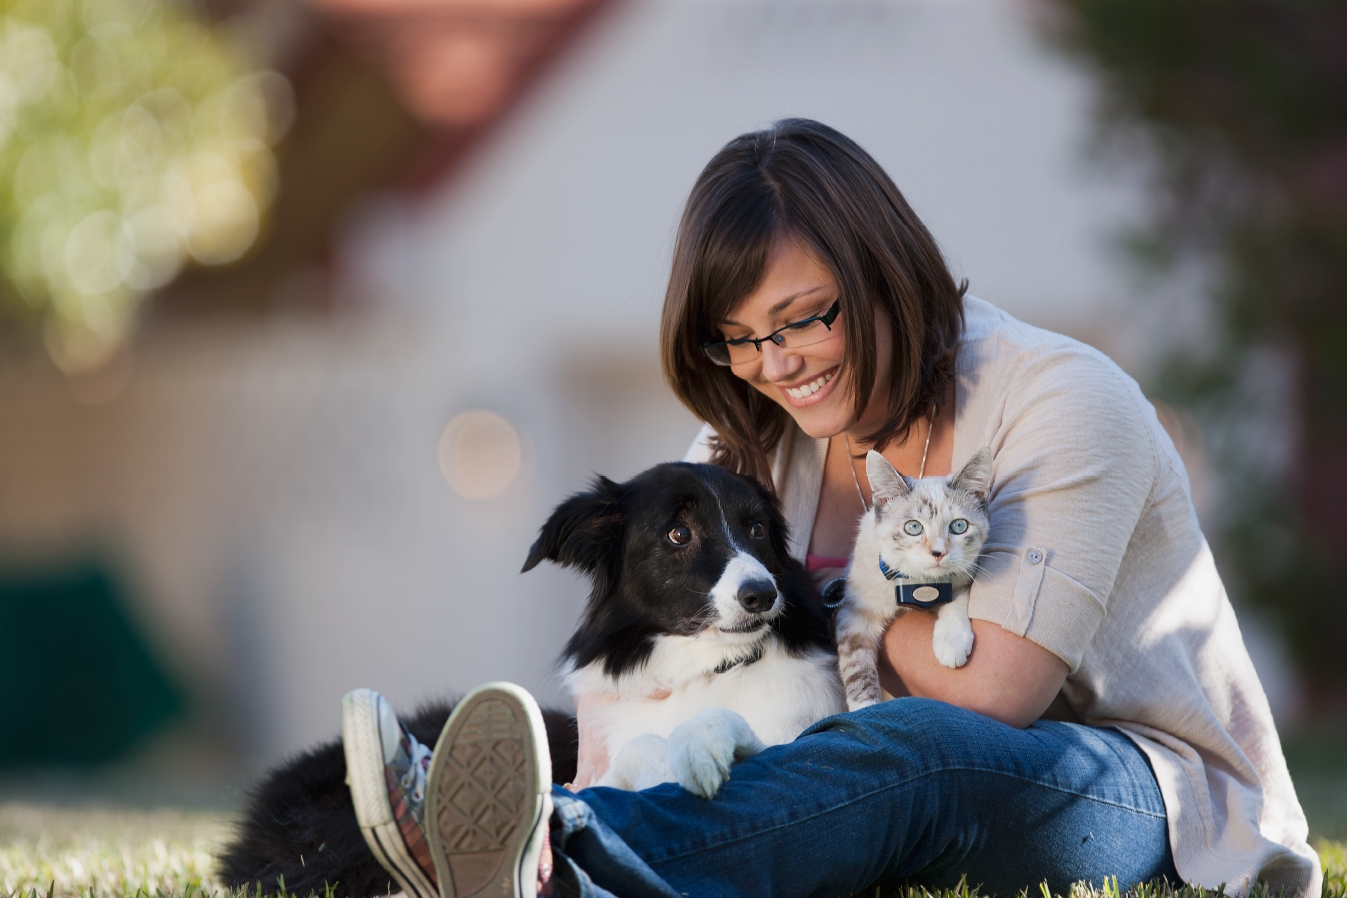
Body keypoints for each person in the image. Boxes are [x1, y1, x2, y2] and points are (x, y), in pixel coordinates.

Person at [341, 119, 1320, 898]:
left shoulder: (1063, 400)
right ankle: (505, 847)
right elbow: (646, 650)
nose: (776, 367)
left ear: (882, 268)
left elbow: (994, 696)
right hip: (868, 790)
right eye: (739, 339)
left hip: (1146, 796)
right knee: (807, 748)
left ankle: (553, 859)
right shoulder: (753, 440)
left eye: (803, 319)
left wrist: (823, 617)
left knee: (920, 745)